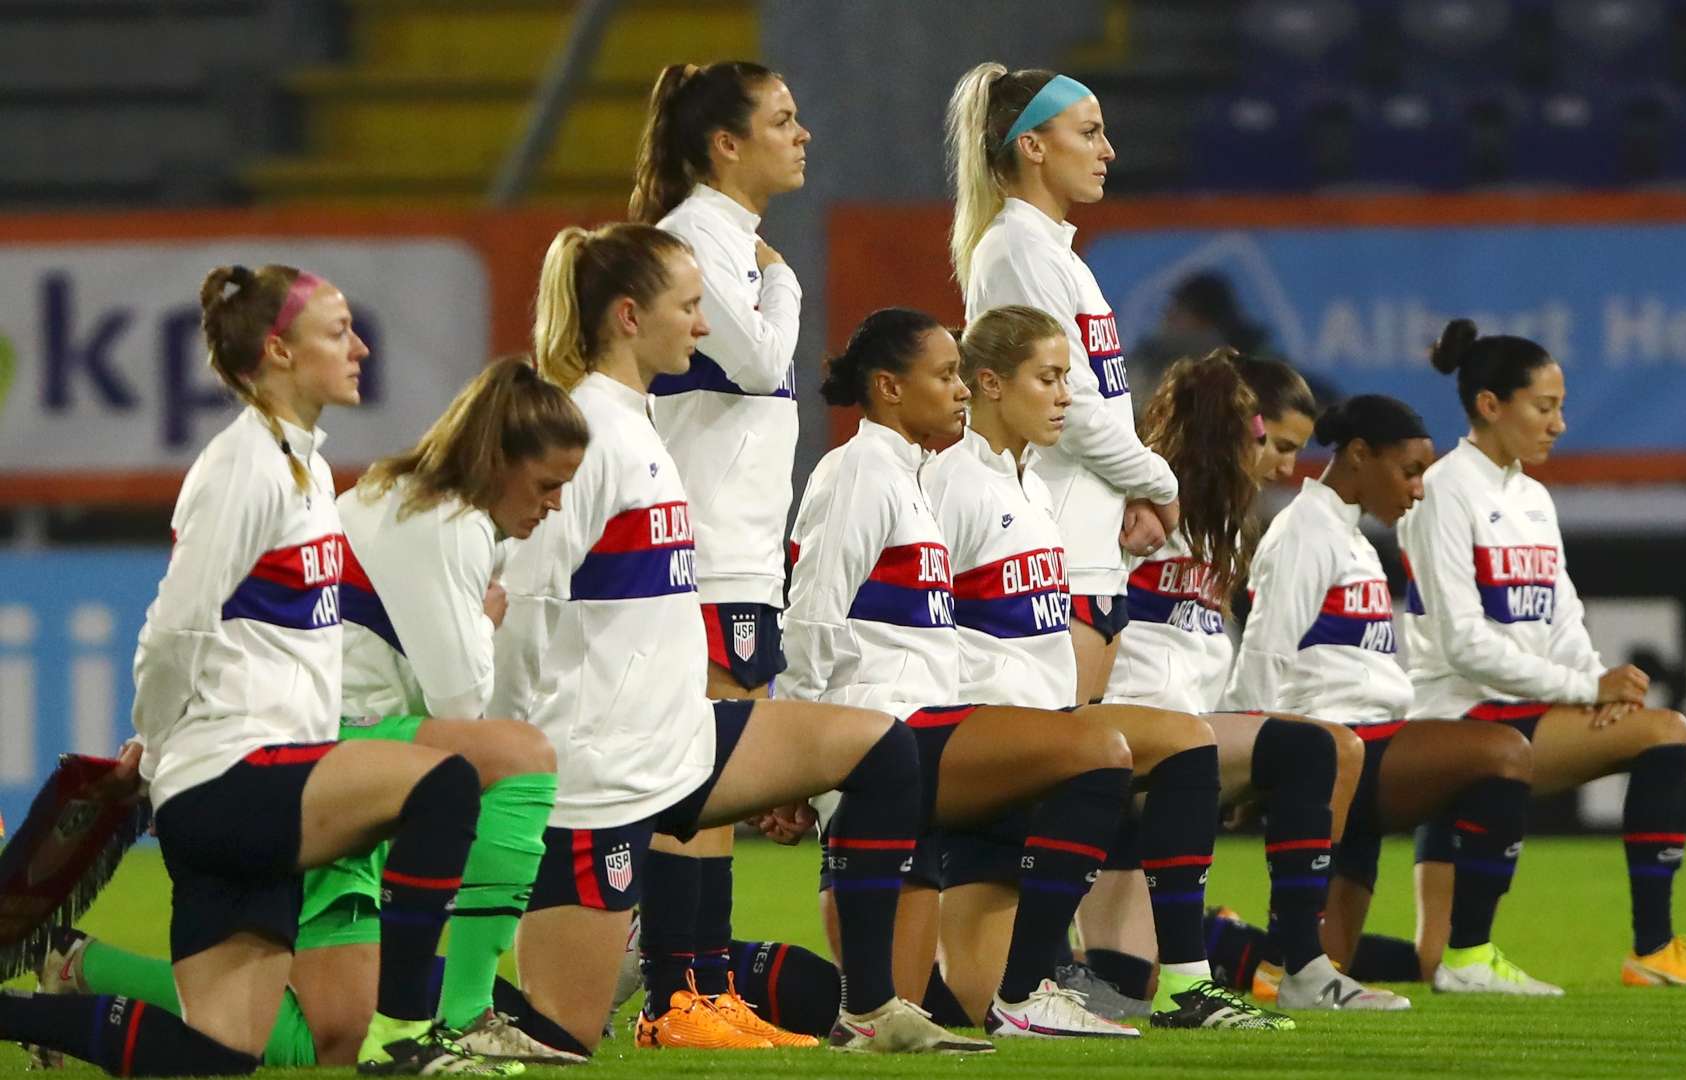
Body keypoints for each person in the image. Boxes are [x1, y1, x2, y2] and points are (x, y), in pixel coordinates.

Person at [0, 265, 501, 1075]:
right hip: (232, 777)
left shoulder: (297, 468)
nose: (361, 345)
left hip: (239, 796)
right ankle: (406, 1032)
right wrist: (158, 756)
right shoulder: (244, 470)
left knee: (218, 1058)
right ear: (277, 351)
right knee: (442, 784)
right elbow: (174, 631)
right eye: (338, 330)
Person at [498, 223, 976, 1056]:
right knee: (554, 1041)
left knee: (879, 751)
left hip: (674, 739)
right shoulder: (586, 436)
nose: (705, 325)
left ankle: (866, 1009)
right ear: (625, 316)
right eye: (689, 306)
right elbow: (525, 606)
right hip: (598, 772)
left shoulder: (640, 428)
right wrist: (509, 764)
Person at [787, 307, 1279, 1037]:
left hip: (1004, 737)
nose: (1064, 398)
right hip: (957, 735)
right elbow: (836, 616)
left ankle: (1176, 981)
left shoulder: (1030, 491)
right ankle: (1032, 986)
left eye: (1067, 380)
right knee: (1097, 755)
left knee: (1183, 740)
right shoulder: (927, 480)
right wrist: (809, 759)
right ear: (991, 383)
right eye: (1048, 378)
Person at [1394, 320, 1686, 990]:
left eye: (1560, 407)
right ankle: (1653, 950)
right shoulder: (1443, 491)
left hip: (1515, 710)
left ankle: (1243, 950)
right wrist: (1584, 687)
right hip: (1455, 714)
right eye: (1545, 406)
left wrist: (1597, 682)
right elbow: (1463, 643)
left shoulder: (1530, 496)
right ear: (1490, 406)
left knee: (1430, 963)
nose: (1560, 423)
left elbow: (1562, 614)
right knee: (1666, 734)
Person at [946, 59, 1180, 1007]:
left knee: (1069, 769)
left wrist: (1124, 491)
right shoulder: (1017, 250)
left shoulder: (1057, 252)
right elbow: (1073, 408)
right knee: (1051, 774)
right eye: (1089, 130)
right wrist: (1158, 479)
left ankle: (1034, 971)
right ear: (1030, 147)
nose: (1108, 148)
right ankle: (1023, 979)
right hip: (1050, 551)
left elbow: (1092, 409)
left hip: (1089, 543)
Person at [1097, 350, 1404, 1012]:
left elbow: (1209, 645)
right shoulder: (1134, 498)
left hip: (1187, 736)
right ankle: (1261, 953)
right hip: (1122, 727)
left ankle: (1296, 962)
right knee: (1122, 989)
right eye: (1280, 445)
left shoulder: (1233, 525)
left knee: (1320, 747)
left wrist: (1239, 722)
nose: (1288, 466)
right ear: (1241, 426)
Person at [1223, 393, 1558, 996]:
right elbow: (1267, 650)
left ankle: (1216, 940)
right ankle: (1468, 955)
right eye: (1409, 472)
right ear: (1358, 457)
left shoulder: (1346, 534)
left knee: (1322, 965)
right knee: (1503, 754)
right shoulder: (1306, 530)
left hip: (1361, 745)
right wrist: (1253, 748)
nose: (1420, 490)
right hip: (1336, 747)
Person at [627, 60, 813, 1045]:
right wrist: (786, 284)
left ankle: (710, 991)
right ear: (724, 144)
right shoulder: (698, 238)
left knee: (720, 787)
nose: (803, 133)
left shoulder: (730, 242)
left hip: (740, 553)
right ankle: (674, 997)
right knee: (691, 780)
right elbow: (759, 362)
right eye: (781, 121)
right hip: (700, 553)